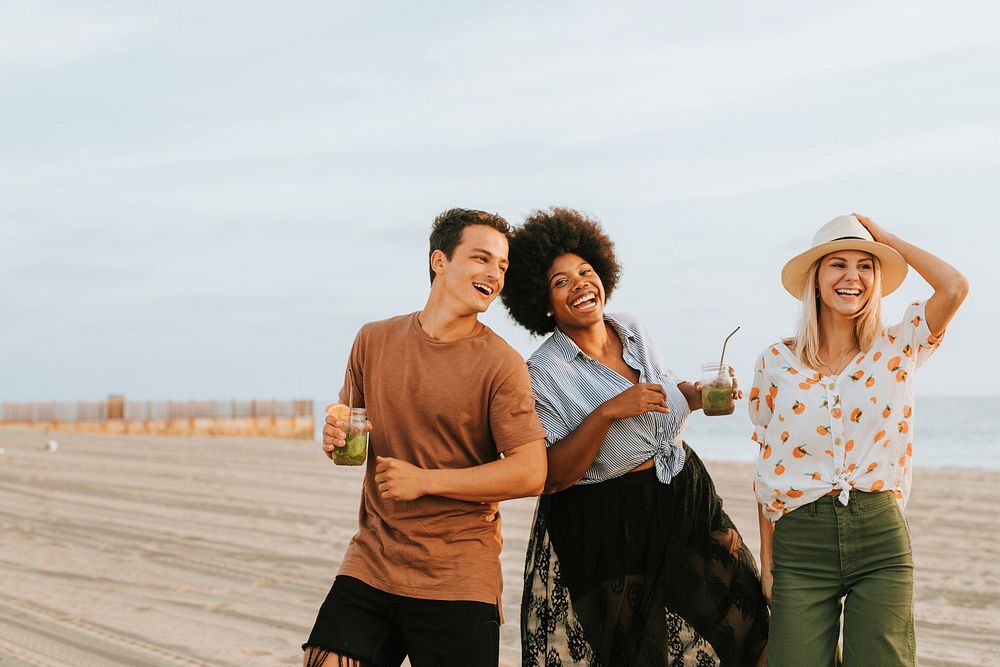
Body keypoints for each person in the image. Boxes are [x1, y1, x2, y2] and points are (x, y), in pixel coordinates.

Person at [501, 208, 769, 667]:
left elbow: (663, 399)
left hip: (683, 494)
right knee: (639, 654)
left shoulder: (631, 328)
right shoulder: (542, 373)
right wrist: (607, 413)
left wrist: (697, 394)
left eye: (585, 272)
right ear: (542, 303)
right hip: (608, 523)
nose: (581, 283)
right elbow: (555, 475)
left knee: (750, 622)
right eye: (561, 281)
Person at [304, 209, 548, 667]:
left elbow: (531, 471)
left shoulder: (501, 364)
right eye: (481, 258)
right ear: (440, 261)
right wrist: (336, 437)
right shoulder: (373, 340)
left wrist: (426, 480)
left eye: (502, 266)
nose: (494, 274)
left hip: (456, 573)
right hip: (373, 558)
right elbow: (350, 435)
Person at [750, 213, 969, 666]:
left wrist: (887, 241)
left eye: (865, 266)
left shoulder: (899, 346)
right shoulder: (775, 361)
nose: (853, 276)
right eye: (838, 264)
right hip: (800, 541)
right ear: (816, 279)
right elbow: (766, 461)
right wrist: (767, 559)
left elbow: (953, 287)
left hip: (879, 535)